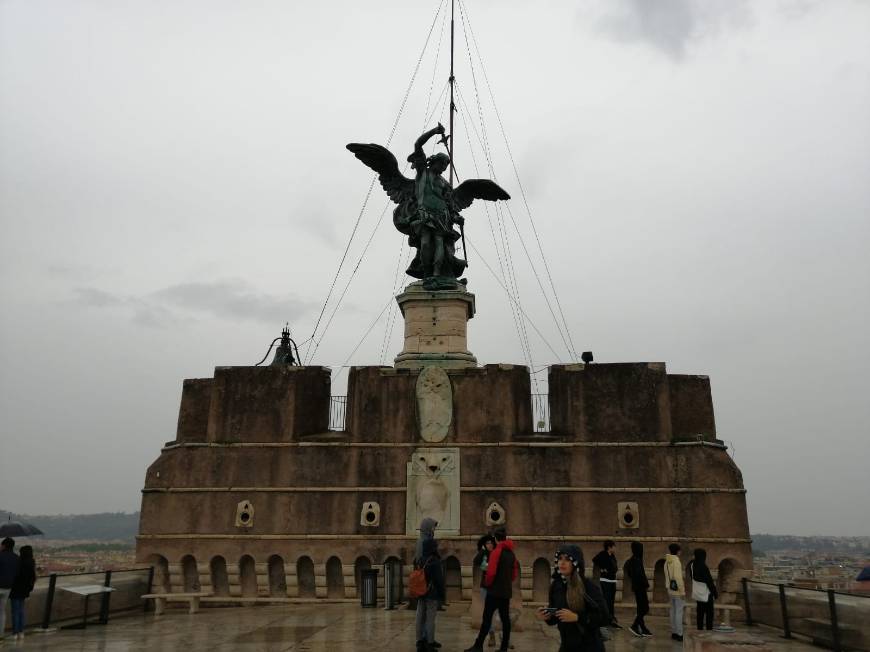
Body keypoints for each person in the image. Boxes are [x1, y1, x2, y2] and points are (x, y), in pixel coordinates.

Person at [536, 544, 609, 652]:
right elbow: (557, 616)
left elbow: (604, 617)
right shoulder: (556, 586)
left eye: (567, 559)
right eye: (560, 558)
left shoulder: (588, 587)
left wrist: (577, 617)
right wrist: (547, 616)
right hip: (567, 645)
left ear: (575, 563)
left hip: (590, 646)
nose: (562, 562)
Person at [464, 527, 518, 652]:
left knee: (487, 619)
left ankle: (478, 646)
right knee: (505, 620)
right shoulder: (511, 553)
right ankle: (503, 647)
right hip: (505, 592)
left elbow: (491, 572)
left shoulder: (496, 552)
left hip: (494, 592)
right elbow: (514, 574)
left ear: (495, 539)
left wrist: (488, 583)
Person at [415, 537, 446, 652]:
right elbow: (439, 580)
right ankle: (429, 642)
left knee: (420, 617)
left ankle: (419, 641)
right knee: (430, 619)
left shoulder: (421, 559)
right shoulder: (434, 561)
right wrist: (442, 595)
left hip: (421, 592)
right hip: (431, 594)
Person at [472, 534, 498, 648]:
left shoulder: (497, 554)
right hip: (485, 587)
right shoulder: (484, 554)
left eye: (491, 543)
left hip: (496, 587)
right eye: (487, 543)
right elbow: (476, 561)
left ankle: (503, 636)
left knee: (497, 613)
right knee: (488, 613)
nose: (490, 545)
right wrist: (482, 551)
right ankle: (491, 635)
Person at [623, 541, 651, 637]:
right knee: (645, 608)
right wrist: (645, 584)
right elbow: (639, 575)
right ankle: (635, 625)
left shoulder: (633, 560)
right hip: (640, 588)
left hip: (637, 587)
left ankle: (642, 627)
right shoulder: (636, 560)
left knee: (641, 608)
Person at [687, 549, 718, 631]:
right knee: (709, 614)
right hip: (706, 594)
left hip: (698, 593)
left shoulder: (692, 565)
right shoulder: (703, 566)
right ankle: (708, 631)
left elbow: (692, 577)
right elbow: (709, 581)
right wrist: (715, 593)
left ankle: (699, 630)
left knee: (700, 613)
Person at [592, 540, 620, 628]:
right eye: (614, 546)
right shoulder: (603, 554)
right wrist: (602, 568)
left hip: (612, 581)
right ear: (609, 547)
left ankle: (611, 618)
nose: (615, 548)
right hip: (605, 581)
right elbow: (595, 560)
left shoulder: (612, 556)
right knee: (606, 600)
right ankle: (606, 619)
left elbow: (614, 566)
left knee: (611, 601)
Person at [9, 546, 36, 641]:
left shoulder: (19, 562)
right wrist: (29, 588)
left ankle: (15, 633)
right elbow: (33, 577)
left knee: (15, 611)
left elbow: (14, 575)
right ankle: (21, 631)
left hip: (16, 589)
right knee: (21, 610)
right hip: (25, 590)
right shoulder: (31, 562)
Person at [0, 538, 20, 645]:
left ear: (4, 546)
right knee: (2, 612)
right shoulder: (16, 558)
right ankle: (0, 635)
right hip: (8, 587)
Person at [665, 543, 686, 641]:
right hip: (677, 590)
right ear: (677, 551)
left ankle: (673, 632)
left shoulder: (667, 561)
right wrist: (682, 591)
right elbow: (678, 578)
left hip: (670, 589)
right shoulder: (676, 561)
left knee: (672, 610)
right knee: (679, 611)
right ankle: (679, 633)